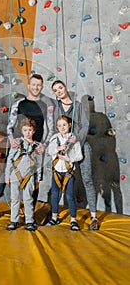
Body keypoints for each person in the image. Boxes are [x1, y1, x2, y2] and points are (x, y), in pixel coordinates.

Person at [0, 74, 54, 227]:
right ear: (29, 85)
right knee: (4, 177)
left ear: (42, 86)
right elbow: (10, 125)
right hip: (18, 146)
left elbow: (50, 129)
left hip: (35, 147)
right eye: (33, 84)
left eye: (39, 85)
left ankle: (30, 217)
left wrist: (44, 144)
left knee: (33, 181)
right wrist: (12, 138)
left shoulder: (46, 106)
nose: (36, 87)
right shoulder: (19, 103)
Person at [48, 80, 99, 230]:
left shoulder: (78, 106)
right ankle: (55, 215)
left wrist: (77, 137)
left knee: (87, 179)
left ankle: (94, 217)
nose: (59, 91)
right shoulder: (56, 108)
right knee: (58, 181)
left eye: (60, 88)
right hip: (64, 147)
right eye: (55, 90)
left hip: (80, 145)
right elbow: (54, 128)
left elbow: (84, 125)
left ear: (66, 88)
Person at [46, 115, 83, 231]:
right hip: (56, 171)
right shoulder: (54, 139)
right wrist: (58, 148)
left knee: (69, 196)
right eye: (59, 125)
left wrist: (69, 159)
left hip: (68, 172)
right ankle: (54, 217)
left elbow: (79, 156)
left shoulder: (73, 140)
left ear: (69, 125)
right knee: (55, 195)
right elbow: (49, 151)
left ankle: (73, 220)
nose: (62, 127)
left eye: (64, 125)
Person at [5, 118, 42, 231]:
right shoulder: (17, 143)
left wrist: (38, 179)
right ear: (21, 131)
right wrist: (7, 175)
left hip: (29, 176)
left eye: (30, 130)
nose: (27, 133)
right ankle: (14, 221)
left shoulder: (37, 146)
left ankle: (29, 221)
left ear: (34, 131)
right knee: (15, 198)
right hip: (16, 174)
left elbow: (39, 164)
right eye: (25, 130)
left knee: (28, 199)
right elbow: (9, 159)